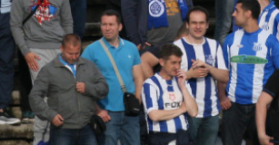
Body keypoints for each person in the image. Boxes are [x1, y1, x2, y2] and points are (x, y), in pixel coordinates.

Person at [11, 0, 74, 145]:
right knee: (43, 98)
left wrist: (67, 49)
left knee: (61, 97)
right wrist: (26, 51)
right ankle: (40, 139)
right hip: (36, 51)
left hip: (59, 51)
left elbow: (68, 22)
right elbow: (14, 26)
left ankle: (56, 138)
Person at [222, 0, 279, 145]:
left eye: (237, 10)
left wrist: (273, 98)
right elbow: (223, 72)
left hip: (261, 106)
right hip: (233, 106)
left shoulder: (270, 41)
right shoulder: (230, 40)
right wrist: (222, 96)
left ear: (248, 13)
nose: (233, 14)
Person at [31, 34, 110, 145]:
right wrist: (50, 115)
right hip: (62, 129)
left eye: (77, 53)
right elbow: (34, 96)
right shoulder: (49, 70)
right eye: (70, 53)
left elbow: (104, 88)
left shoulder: (89, 66)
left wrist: (88, 88)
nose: (73, 57)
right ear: (62, 48)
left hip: (87, 127)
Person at [82, 10, 143, 145]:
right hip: (107, 113)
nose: (107, 28)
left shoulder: (131, 48)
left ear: (119, 27)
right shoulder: (90, 51)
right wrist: (97, 110)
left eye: (111, 24)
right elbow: (83, 84)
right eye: (104, 24)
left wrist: (137, 101)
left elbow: (138, 78)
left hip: (130, 111)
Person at [177, 7, 230, 145]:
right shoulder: (177, 47)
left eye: (201, 23)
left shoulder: (214, 45)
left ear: (207, 25)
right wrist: (189, 74)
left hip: (211, 112)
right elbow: (168, 78)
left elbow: (225, 77)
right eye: (194, 23)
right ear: (187, 25)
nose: (198, 26)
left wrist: (209, 67)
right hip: (186, 111)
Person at [142, 43, 198, 145]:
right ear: (162, 62)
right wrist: (181, 109)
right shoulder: (150, 84)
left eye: (179, 63)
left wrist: (183, 87)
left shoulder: (183, 81)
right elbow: (154, 115)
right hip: (161, 137)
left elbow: (193, 112)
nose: (177, 66)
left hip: (183, 136)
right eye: (173, 63)